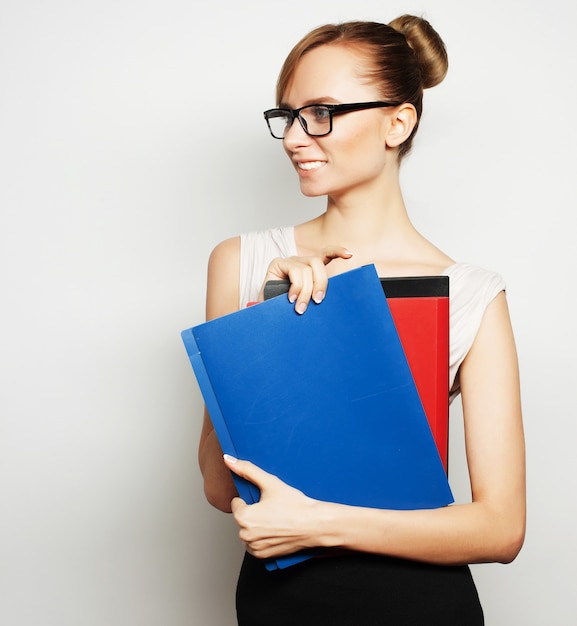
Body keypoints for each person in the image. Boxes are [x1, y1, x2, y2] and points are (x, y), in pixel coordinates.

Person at [198, 14, 525, 625]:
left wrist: (316, 525)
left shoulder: (470, 294)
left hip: (423, 606)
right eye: (288, 116)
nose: (296, 136)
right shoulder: (243, 263)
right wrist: (267, 327)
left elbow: (501, 529)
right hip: (282, 605)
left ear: (397, 123)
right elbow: (221, 489)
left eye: (321, 112)